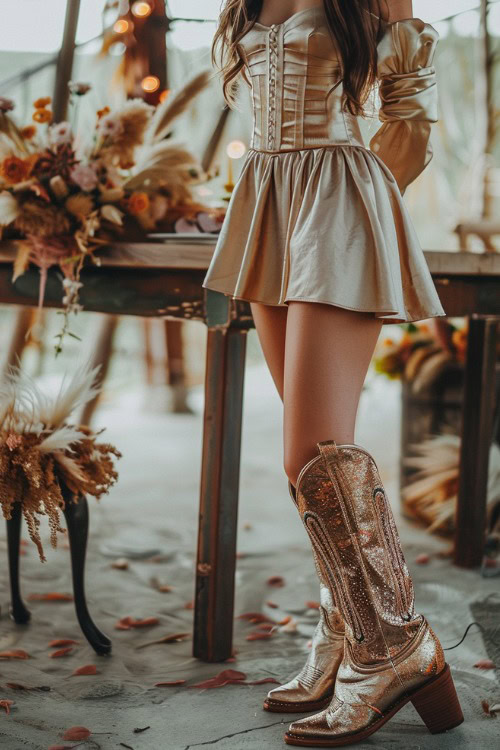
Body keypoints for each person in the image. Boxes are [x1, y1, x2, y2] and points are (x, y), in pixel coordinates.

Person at [202, 1, 465, 745]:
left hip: (338, 203)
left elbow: (409, 115)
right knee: (313, 470)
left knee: (312, 451)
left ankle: (396, 647)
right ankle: (354, 630)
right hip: (267, 202)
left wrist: (363, 202)